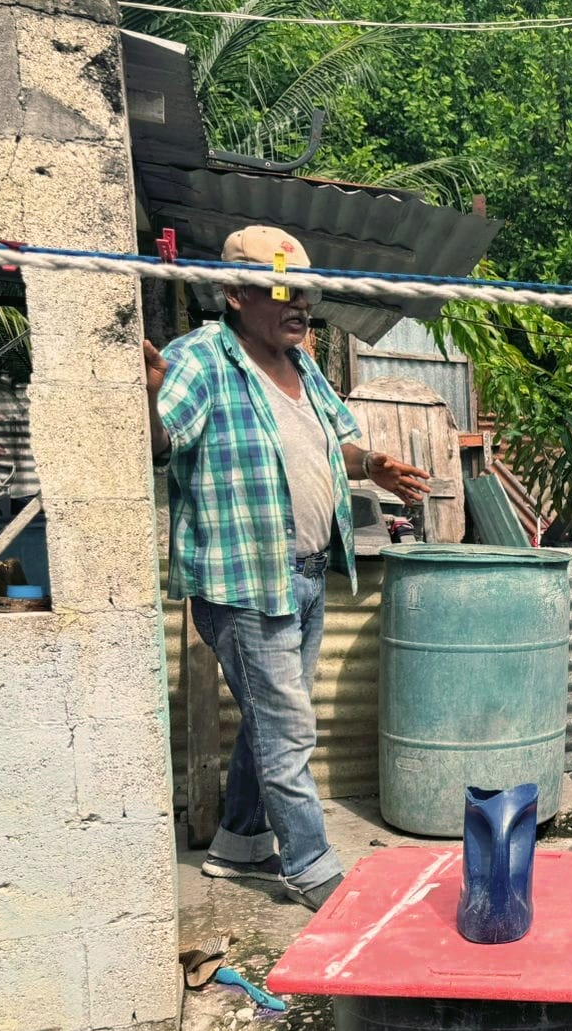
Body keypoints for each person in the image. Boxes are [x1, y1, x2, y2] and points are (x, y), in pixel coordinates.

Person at [143, 225, 430, 910]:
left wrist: (374, 466)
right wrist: (145, 396)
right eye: (282, 291)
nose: (299, 305)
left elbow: (340, 443)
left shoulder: (301, 368)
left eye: (304, 292)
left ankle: (240, 840)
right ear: (236, 294)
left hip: (303, 576)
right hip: (242, 583)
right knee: (289, 728)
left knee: (275, 722)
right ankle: (311, 868)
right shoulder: (202, 359)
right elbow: (162, 437)